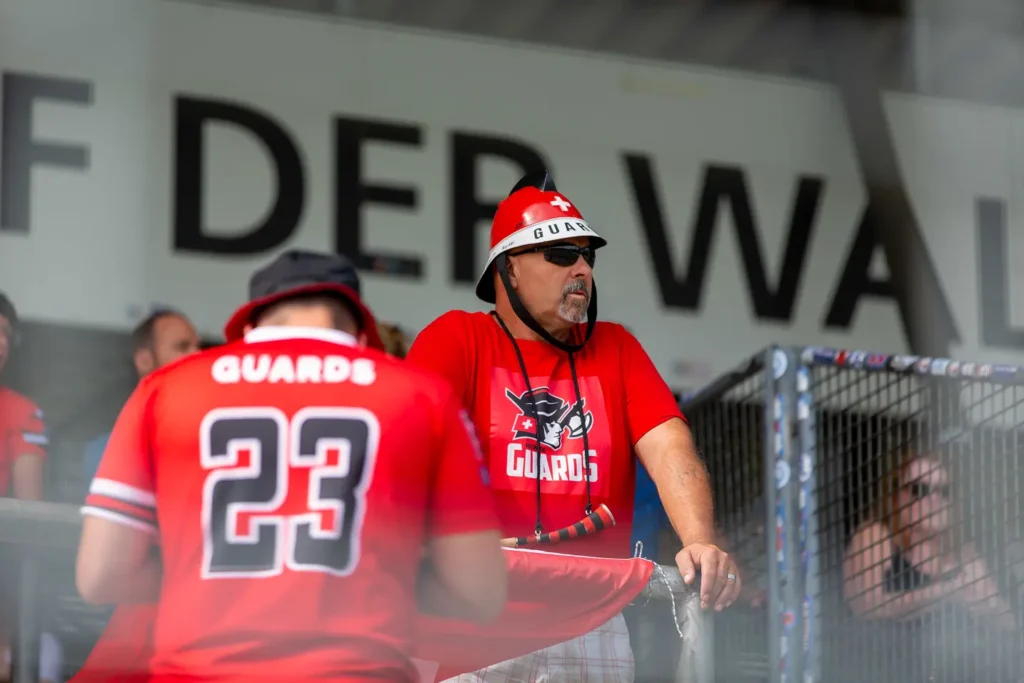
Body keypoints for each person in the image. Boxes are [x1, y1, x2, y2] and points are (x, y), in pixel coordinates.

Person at [75, 250, 507, 683]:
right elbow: (479, 593)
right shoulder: (422, 395)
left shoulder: (167, 389)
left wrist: (197, 579)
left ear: (250, 326)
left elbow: (99, 577)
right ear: (358, 331)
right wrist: (382, 578)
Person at [406, 172, 740, 682]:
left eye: (588, 256)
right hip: (475, 621)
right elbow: (408, 446)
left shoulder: (617, 347)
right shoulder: (457, 338)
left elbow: (669, 444)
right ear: (510, 269)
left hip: (592, 621)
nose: (582, 268)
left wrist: (698, 539)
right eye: (562, 254)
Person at [843, 447, 1020, 682]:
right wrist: (945, 593)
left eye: (942, 491)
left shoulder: (962, 549)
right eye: (920, 490)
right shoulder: (875, 535)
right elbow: (866, 605)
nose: (933, 500)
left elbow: (1009, 624)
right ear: (896, 496)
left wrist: (992, 607)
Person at [81, 308, 200, 484]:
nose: (198, 355)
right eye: (182, 347)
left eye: (198, 347)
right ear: (144, 361)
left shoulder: (207, 441)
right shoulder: (107, 452)